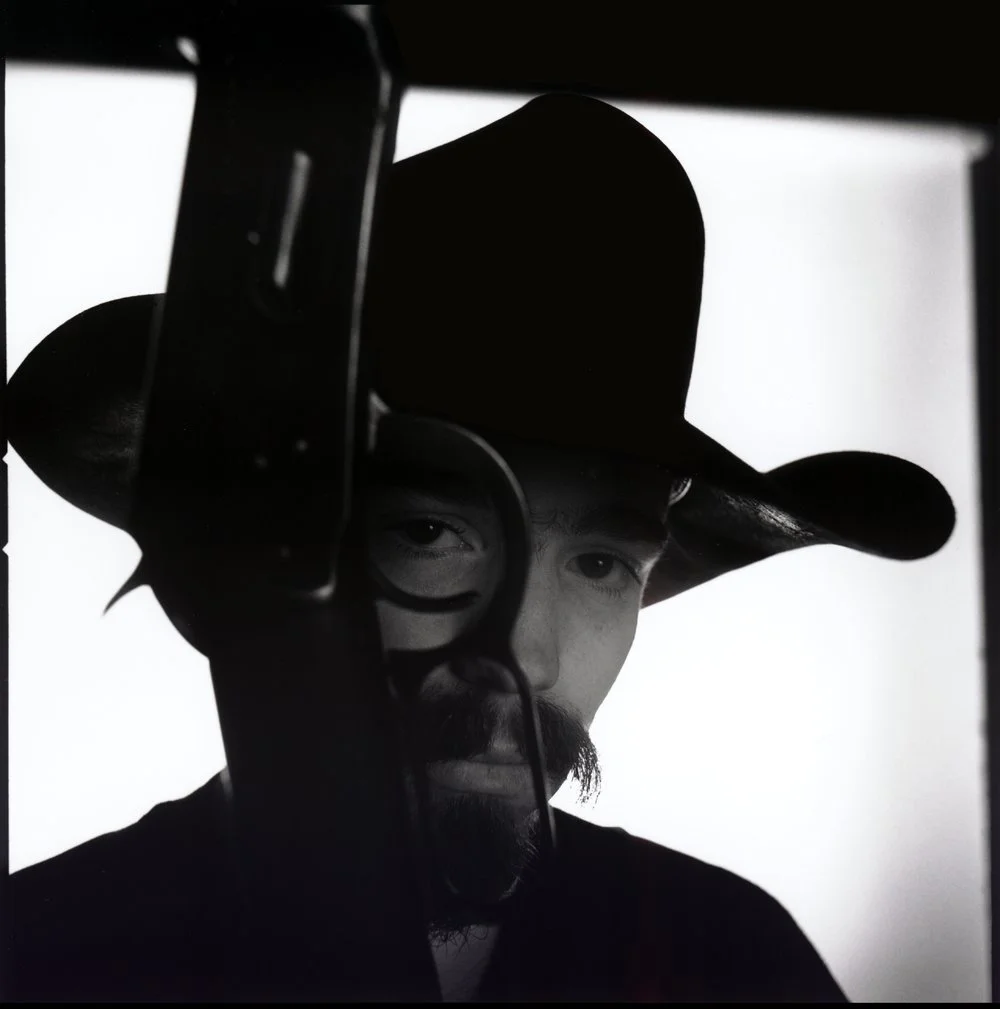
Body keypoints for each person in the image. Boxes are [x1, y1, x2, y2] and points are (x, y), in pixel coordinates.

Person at [3, 94, 955, 1002]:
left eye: (600, 563)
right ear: (264, 554)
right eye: (434, 534)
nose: (528, 656)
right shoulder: (49, 957)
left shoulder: (728, 964)